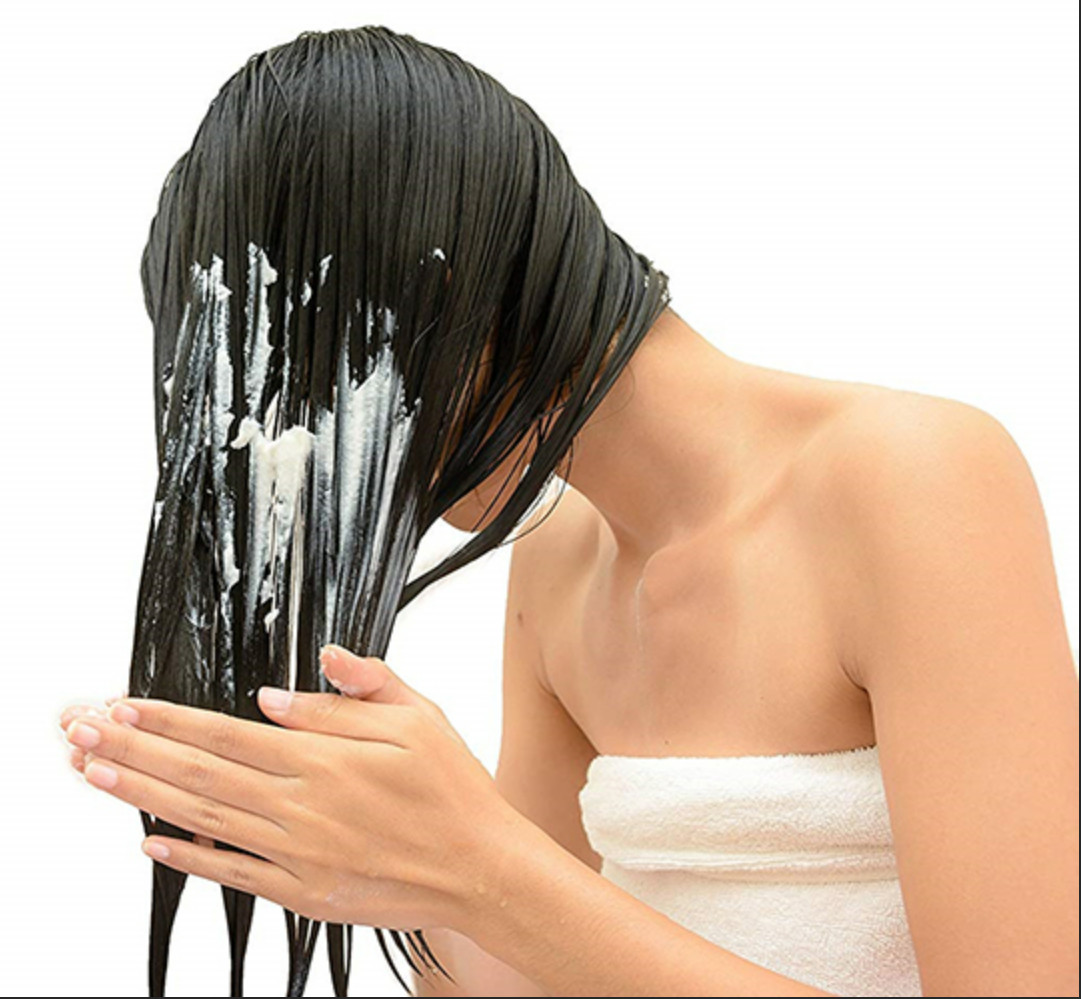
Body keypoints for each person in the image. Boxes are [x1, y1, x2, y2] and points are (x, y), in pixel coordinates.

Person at [59, 27, 1077, 999]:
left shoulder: (912, 478)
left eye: (320, 396)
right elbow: (517, 968)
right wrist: (360, 849)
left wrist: (478, 862)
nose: (326, 463)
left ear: (439, 294)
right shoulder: (560, 558)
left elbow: (515, 891)